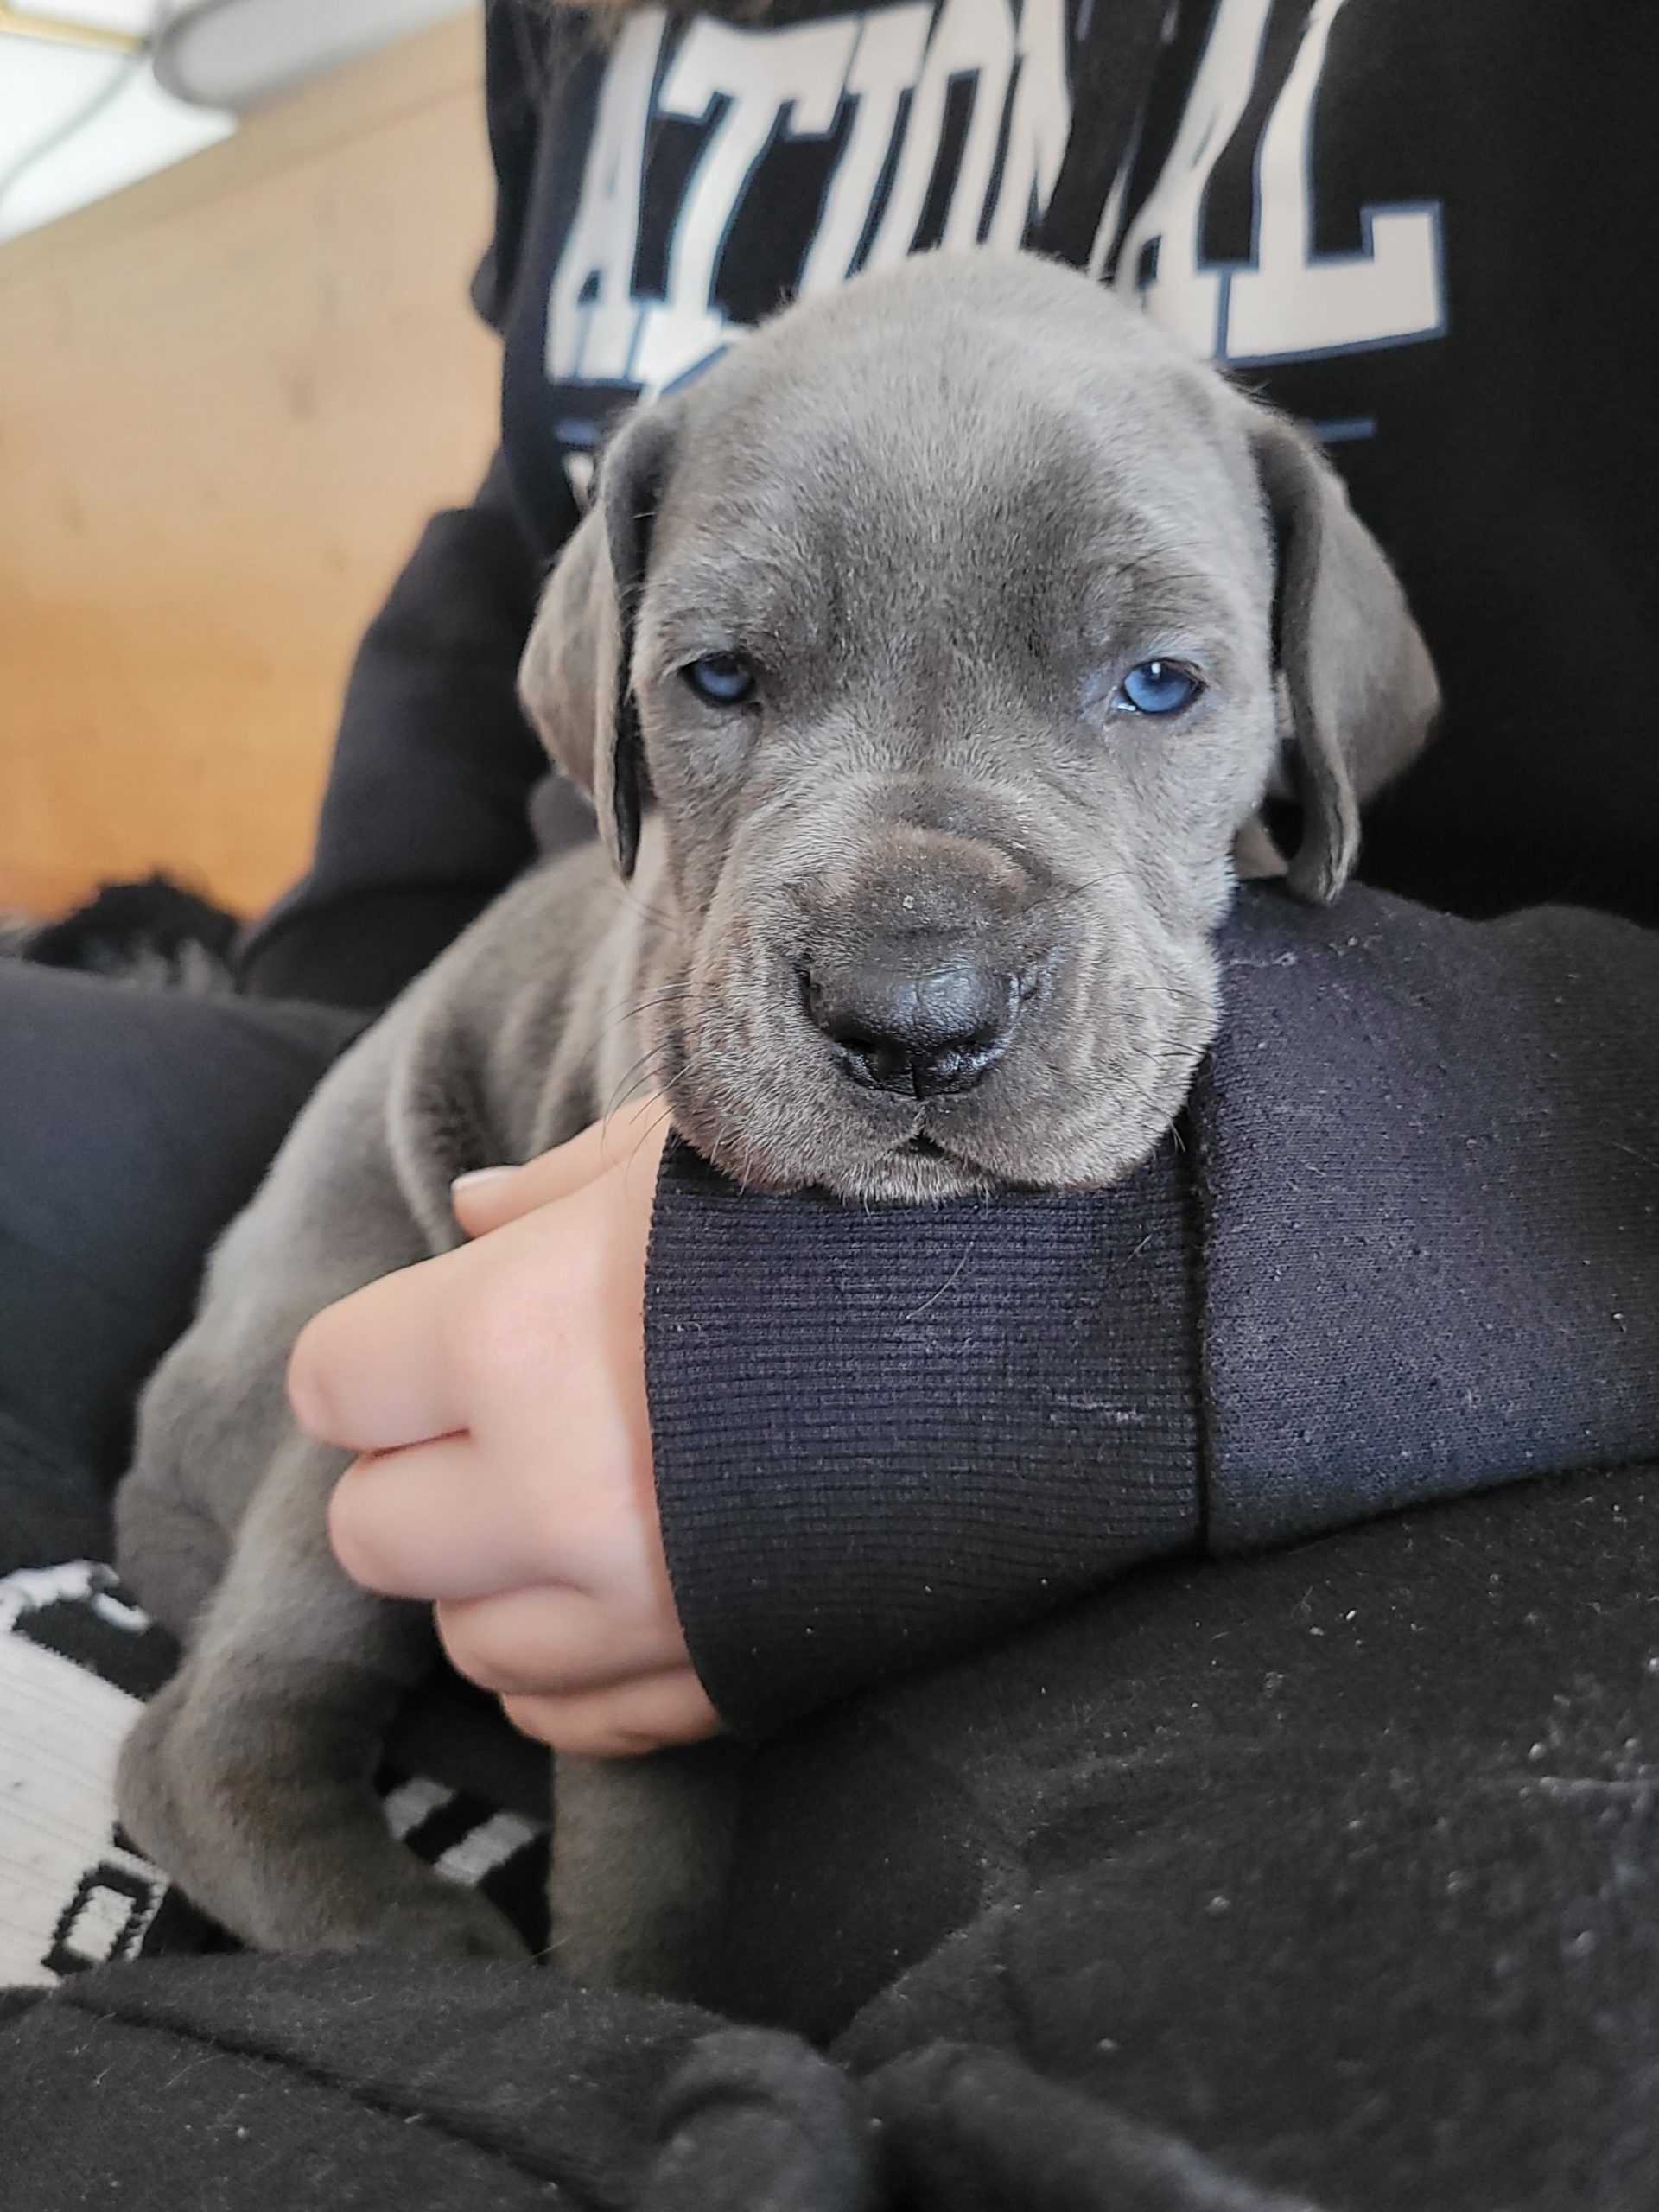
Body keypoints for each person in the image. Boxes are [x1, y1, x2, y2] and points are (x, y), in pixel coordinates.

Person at [3, 2, 1657, 2202]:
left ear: (1299, 715)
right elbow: (507, 586)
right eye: (730, 676)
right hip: (431, 1142)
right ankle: (261, 1766)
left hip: (1476, 1200)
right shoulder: (579, 63)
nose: (915, 976)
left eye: (1155, 678)